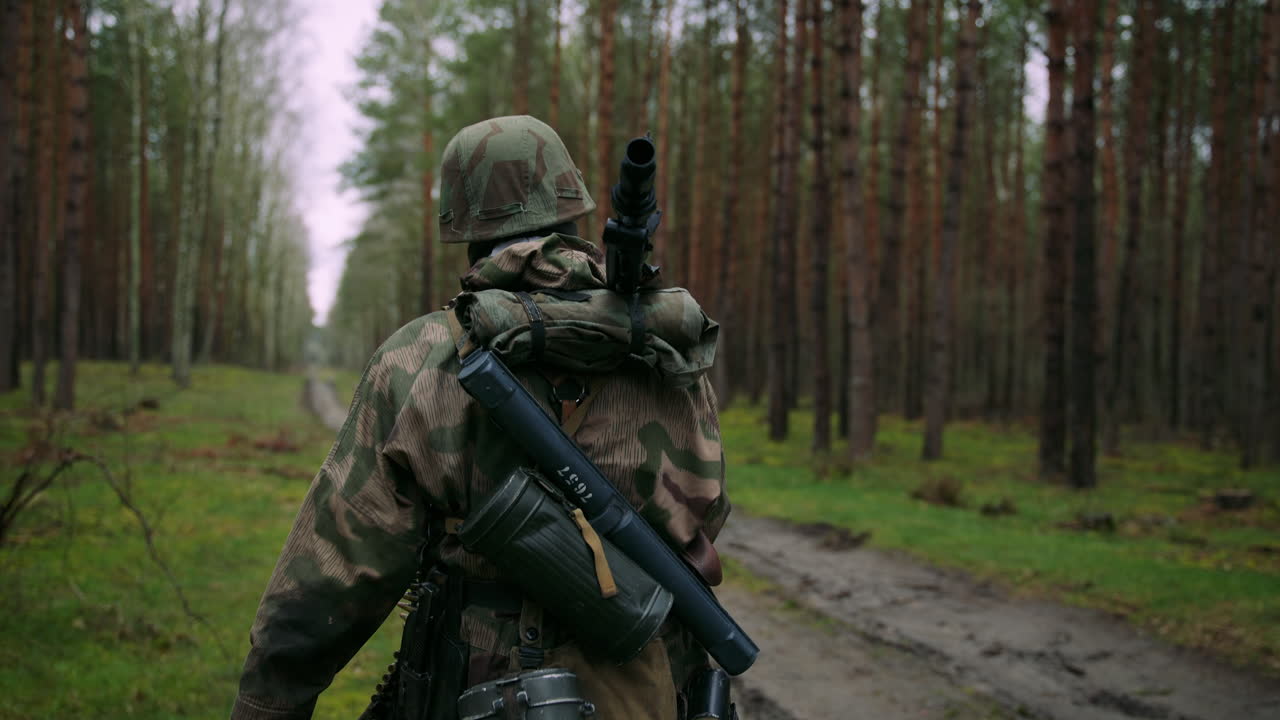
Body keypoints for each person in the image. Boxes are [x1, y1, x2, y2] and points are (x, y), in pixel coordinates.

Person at [229, 115, 730, 720]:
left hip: (481, 691)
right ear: (573, 208)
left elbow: (329, 576)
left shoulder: (420, 356)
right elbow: (709, 511)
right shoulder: (665, 347)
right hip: (654, 690)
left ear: (464, 226)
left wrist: (266, 703)